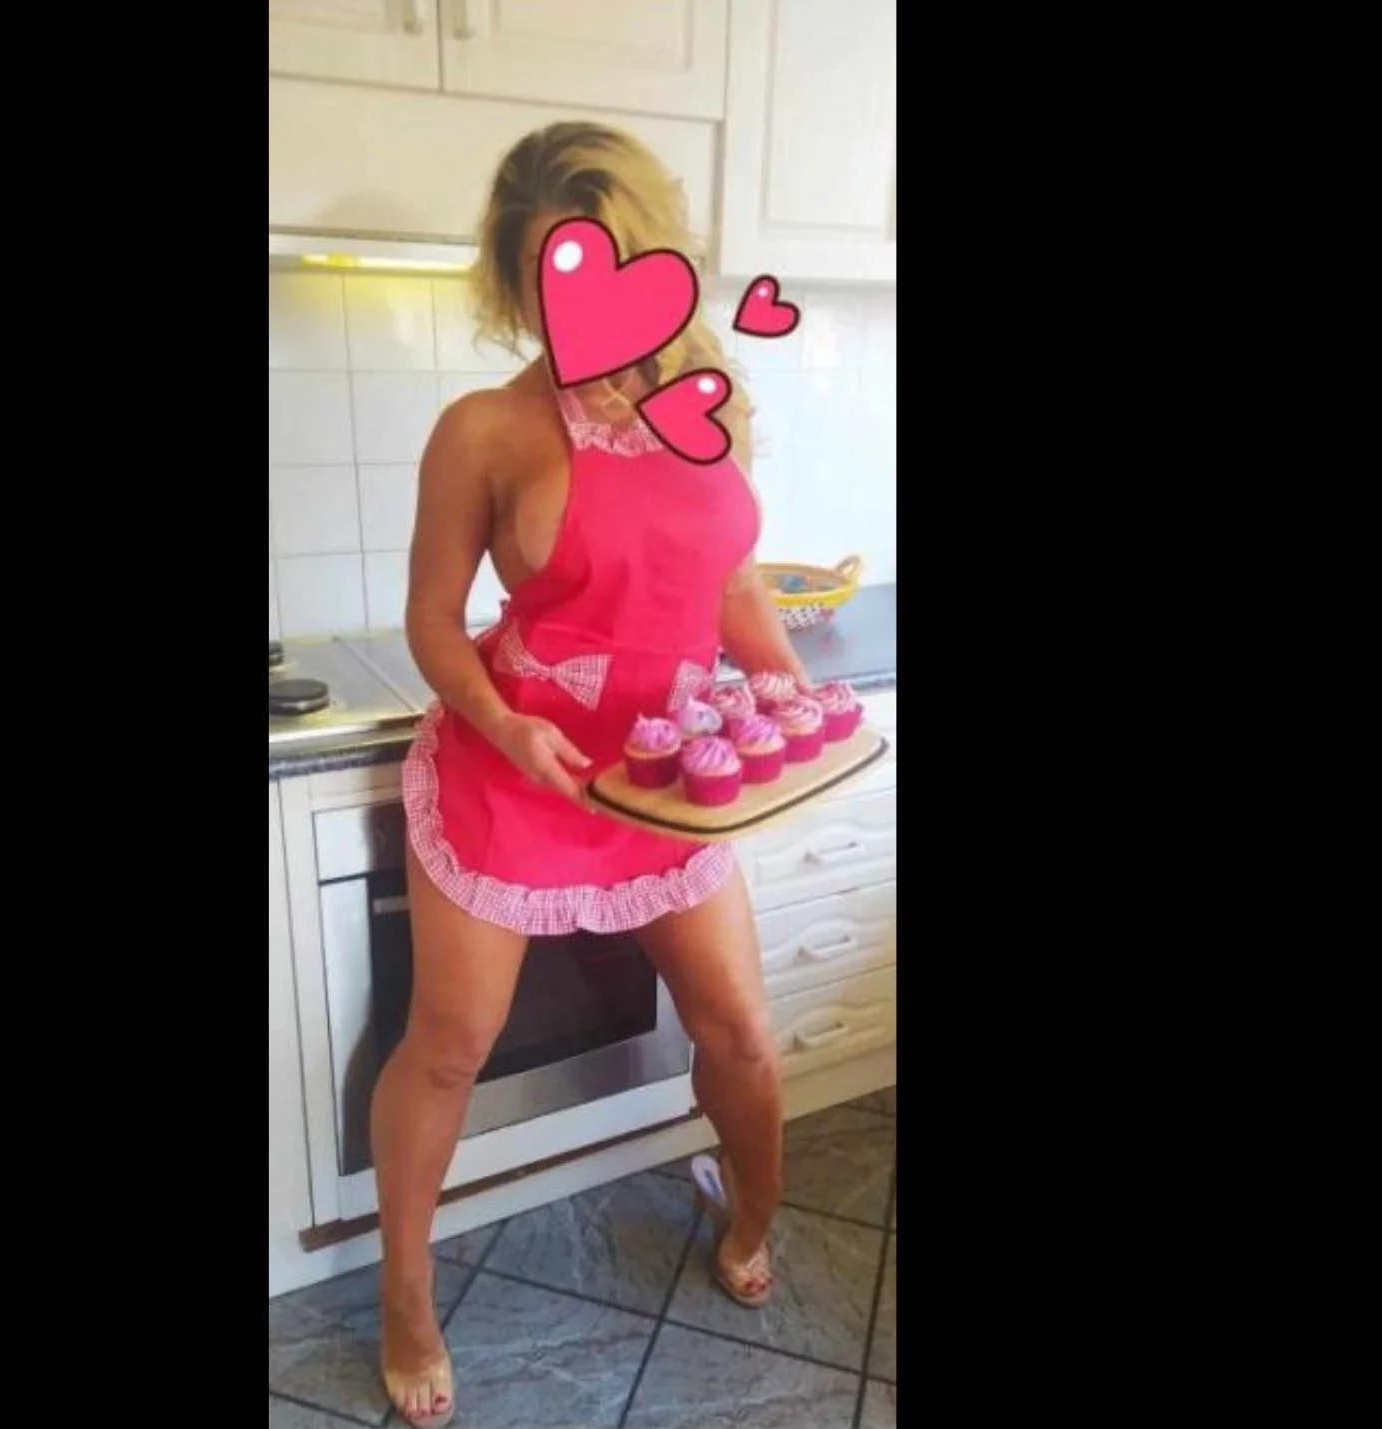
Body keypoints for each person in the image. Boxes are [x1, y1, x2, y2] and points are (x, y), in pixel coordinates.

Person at [372, 120, 814, 1429]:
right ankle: (405, 1291)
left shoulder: (713, 402)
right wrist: (502, 725)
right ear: (512, 288)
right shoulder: (486, 432)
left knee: (740, 1033)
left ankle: (750, 1219)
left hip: (668, 775)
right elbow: (435, 625)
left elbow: (728, 581)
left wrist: (787, 685)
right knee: (449, 1052)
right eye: (544, 284)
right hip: (516, 772)